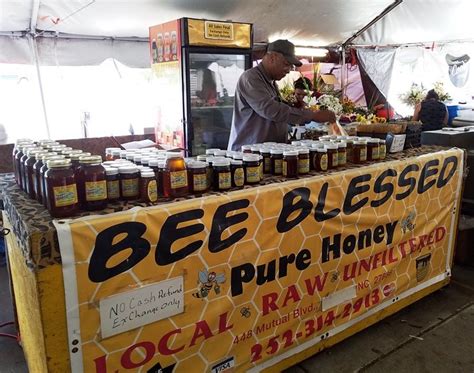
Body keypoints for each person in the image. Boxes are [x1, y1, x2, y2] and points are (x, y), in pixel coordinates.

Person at [227, 39, 336, 151]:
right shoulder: (251, 78)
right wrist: (312, 115)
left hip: (268, 152)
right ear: (272, 57)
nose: (289, 70)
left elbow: (279, 110)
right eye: (286, 64)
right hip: (249, 156)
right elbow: (270, 110)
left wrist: (297, 107)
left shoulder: (271, 82)